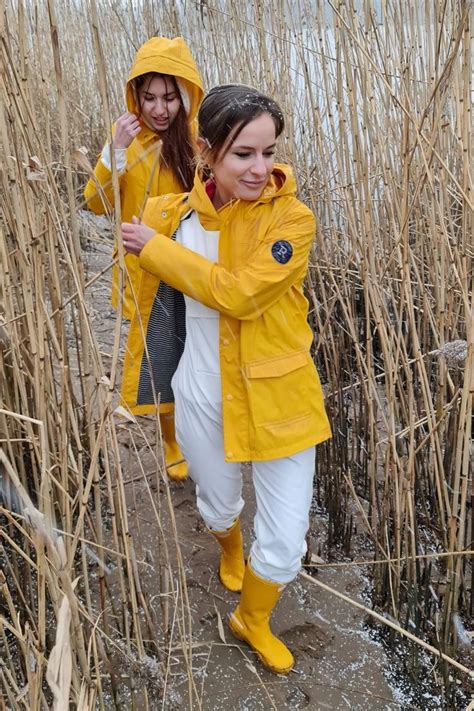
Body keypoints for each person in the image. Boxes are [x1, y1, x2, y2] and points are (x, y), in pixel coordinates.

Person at [120, 85, 332, 674]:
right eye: (244, 154)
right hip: (201, 389)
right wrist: (118, 157)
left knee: (287, 538)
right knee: (217, 503)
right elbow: (111, 208)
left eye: (269, 152)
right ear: (208, 151)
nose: (262, 169)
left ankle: (252, 618)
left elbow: (238, 294)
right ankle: (230, 547)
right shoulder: (172, 215)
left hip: (280, 394)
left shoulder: (292, 219)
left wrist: (159, 253)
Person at [84, 37, 204, 481]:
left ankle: (202, 433)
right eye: (149, 97)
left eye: (169, 98)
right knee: (163, 356)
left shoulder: (196, 141)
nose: (159, 108)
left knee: (201, 350)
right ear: (136, 95)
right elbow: (95, 202)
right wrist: (113, 149)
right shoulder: (126, 144)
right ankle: (171, 440)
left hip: (190, 265)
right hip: (144, 269)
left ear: (185, 95)